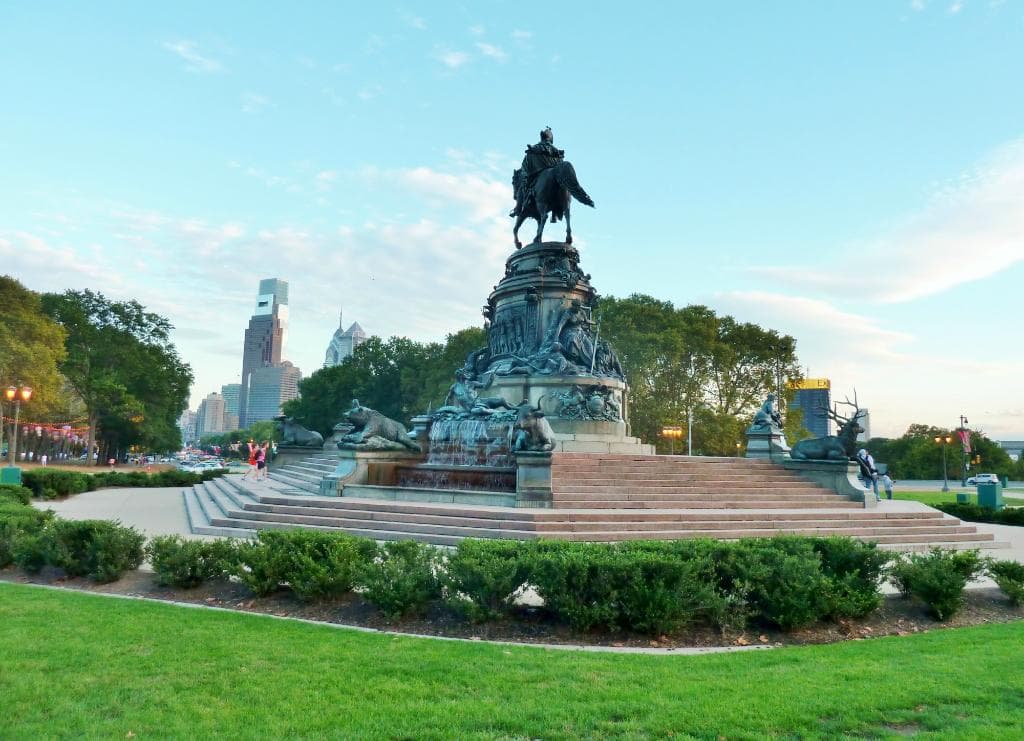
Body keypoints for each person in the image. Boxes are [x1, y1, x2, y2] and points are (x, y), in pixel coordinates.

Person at [510, 127, 565, 217]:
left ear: (542, 137)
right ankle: (557, 211)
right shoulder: (557, 151)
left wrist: (525, 173)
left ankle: (518, 209)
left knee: (521, 188)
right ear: (551, 139)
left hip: (537, 173)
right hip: (556, 175)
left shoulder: (535, 148)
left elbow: (526, 166)